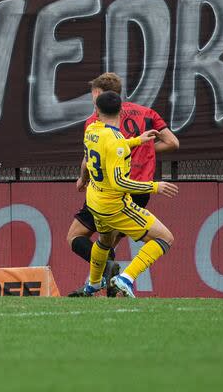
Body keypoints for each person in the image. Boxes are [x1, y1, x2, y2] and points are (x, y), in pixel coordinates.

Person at [67, 72, 179, 296]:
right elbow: (119, 181)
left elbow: (94, 157)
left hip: (96, 198)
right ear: (120, 108)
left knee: (103, 241)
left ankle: (94, 282)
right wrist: (156, 186)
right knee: (165, 238)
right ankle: (126, 278)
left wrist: (138, 141)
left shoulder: (92, 129)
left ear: (98, 105)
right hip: (119, 198)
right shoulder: (131, 128)